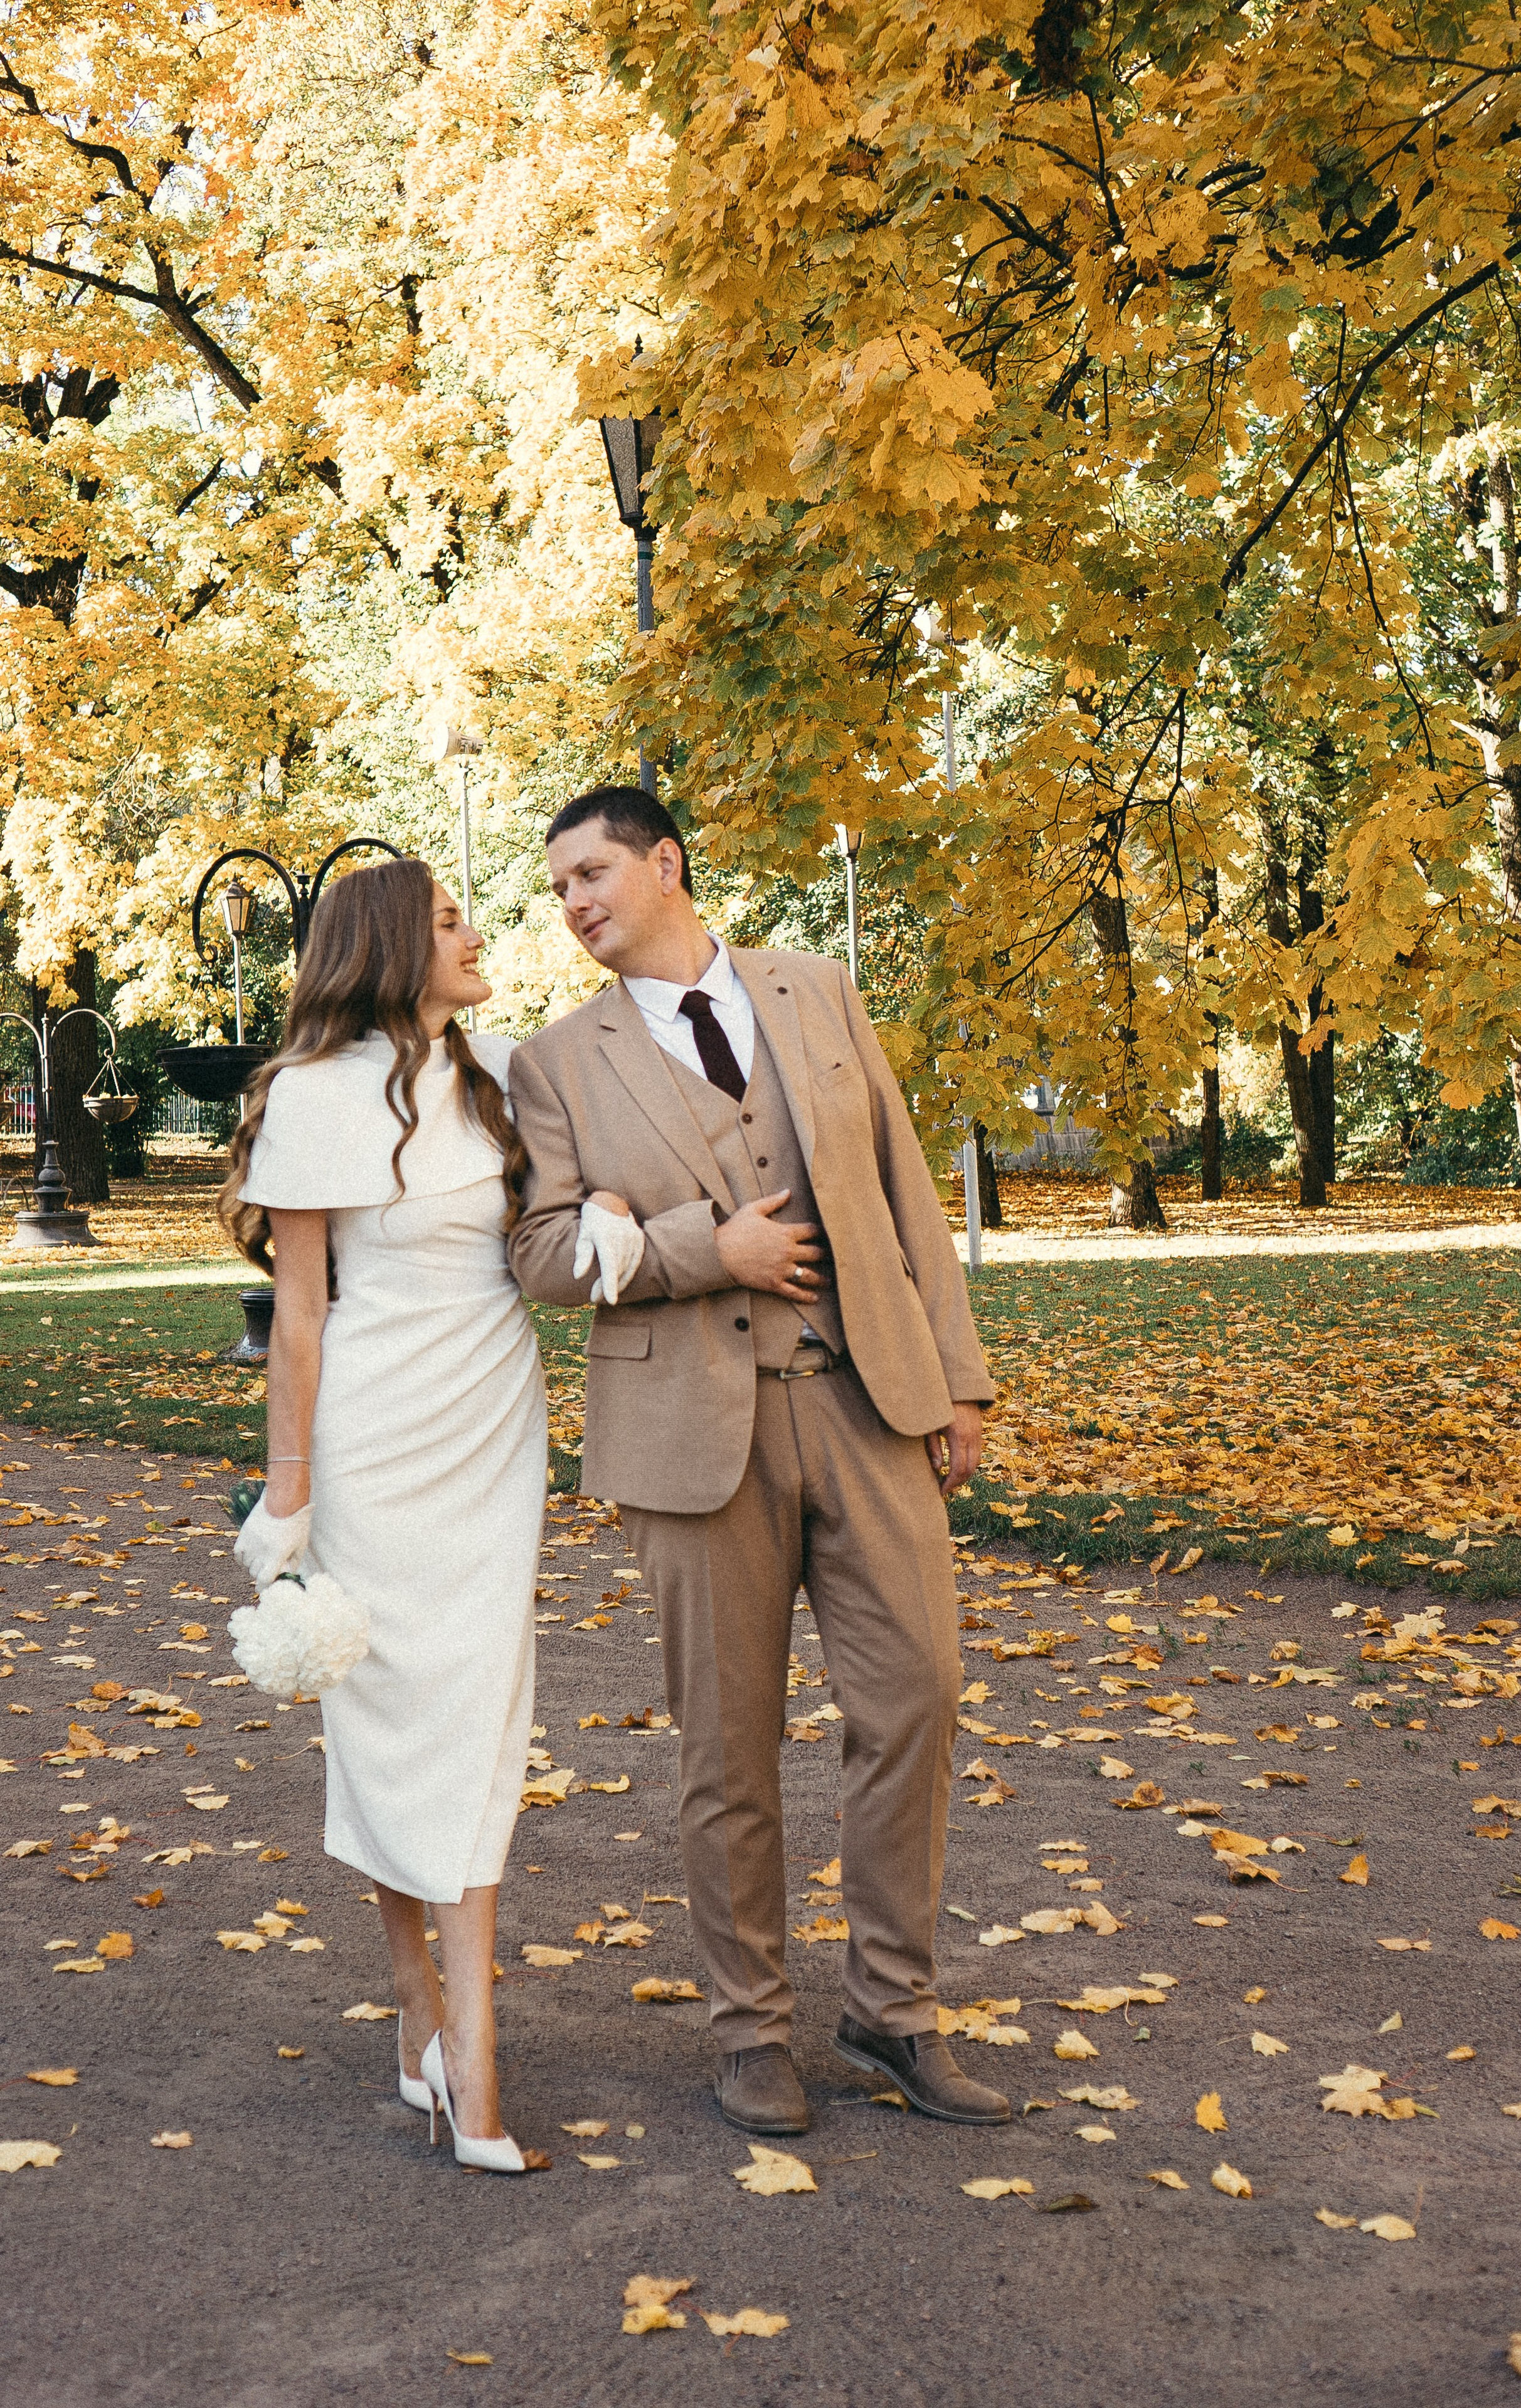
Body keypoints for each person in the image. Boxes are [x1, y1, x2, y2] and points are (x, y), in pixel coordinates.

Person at [507, 784, 1009, 2136]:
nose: (573, 904)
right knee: (726, 1752)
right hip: (688, 1440)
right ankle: (749, 2031)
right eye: (558, 889)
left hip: (865, 1403)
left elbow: (905, 1187)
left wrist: (956, 1377)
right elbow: (543, 1255)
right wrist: (692, 1252)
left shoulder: (814, 991)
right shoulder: (556, 1063)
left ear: (665, 864)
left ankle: (892, 2012)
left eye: (592, 873)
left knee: (916, 1700)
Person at [220, 857, 546, 2175]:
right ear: (387, 948)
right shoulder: (308, 1096)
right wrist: (286, 1494)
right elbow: (299, 1315)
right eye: (450, 921)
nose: (475, 937)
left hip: (490, 1429)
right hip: (369, 1437)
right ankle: (425, 2001)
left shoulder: (507, 1070)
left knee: (476, 1712)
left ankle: (469, 2039)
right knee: (385, 1711)